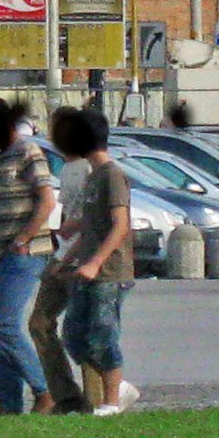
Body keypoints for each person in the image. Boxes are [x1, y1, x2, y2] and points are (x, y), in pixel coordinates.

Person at [0, 98, 55, 418]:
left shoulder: (28, 151)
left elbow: (47, 201)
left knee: (6, 327)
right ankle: (9, 404)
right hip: (2, 255)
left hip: (25, 253)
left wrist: (24, 238)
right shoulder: (2, 158)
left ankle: (45, 391)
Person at [48, 106, 137, 416]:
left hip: (111, 272)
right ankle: (118, 385)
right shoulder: (92, 176)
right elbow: (89, 226)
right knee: (72, 336)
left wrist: (96, 262)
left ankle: (112, 401)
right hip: (86, 267)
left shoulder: (113, 175)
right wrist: (68, 259)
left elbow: (120, 225)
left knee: (102, 336)